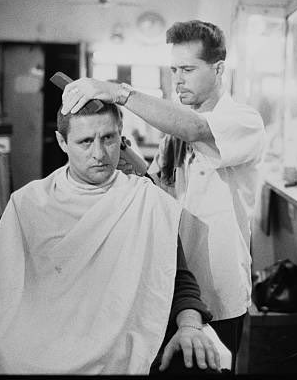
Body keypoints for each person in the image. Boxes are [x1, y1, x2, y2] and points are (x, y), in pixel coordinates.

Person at [0, 103, 228, 375]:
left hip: (124, 337)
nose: (99, 154)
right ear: (62, 142)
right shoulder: (28, 203)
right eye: (85, 142)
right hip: (44, 338)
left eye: (108, 138)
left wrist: (189, 326)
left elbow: (179, 278)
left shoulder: (147, 200)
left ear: (121, 136)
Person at [60, 20, 266, 369]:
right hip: (170, 279)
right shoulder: (173, 132)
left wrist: (120, 93)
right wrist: (118, 150)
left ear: (218, 69)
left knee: (210, 368)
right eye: (173, 69)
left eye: (188, 69)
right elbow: (156, 185)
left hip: (218, 285)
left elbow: (196, 129)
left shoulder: (243, 120)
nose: (178, 79)